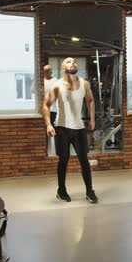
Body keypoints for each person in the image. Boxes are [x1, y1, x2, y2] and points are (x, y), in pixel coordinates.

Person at [42, 57, 98, 203]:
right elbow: (46, 105)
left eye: (74, 61)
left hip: (79, 127)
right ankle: (61, 191)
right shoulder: (57, 85)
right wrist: (48, 124)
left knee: (84, 160)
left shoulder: (84, 84)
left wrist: (92, 119)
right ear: (62, 68)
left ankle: (89, 191)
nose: (72, 63)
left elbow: (91, 100)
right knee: (64, 160)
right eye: (68, 61)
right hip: (62, 127)